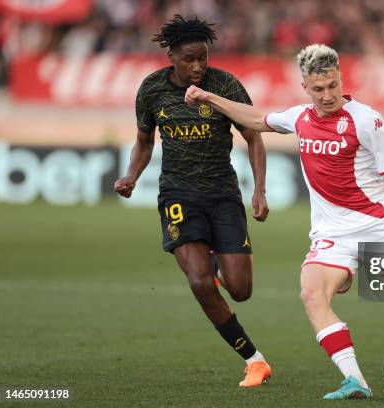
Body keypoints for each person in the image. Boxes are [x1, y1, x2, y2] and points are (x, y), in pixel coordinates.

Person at [184, 43, 384, 399]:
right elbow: (256, 119)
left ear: (341, 79)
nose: (327, 95)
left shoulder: (367, 120)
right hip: (332, 235)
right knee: (311, 292)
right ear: (305, 88)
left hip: (376, 229)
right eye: (318, 89)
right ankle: (355, 381)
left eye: (332, 86)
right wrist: (209, 97)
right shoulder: (300, 118)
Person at [114, 15, 272, 388]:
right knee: (200, 283)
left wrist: (260, 190)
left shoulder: (225, 85)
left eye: (203, 57)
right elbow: (145, 140)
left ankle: (216, 260)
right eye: (189, 59)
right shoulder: (152, 90)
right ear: (171, 56)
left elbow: (254, 136)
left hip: (222, 195)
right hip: (178, 196)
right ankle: (254, 359)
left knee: (241, 290)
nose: (198, 66)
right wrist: (132, 176)